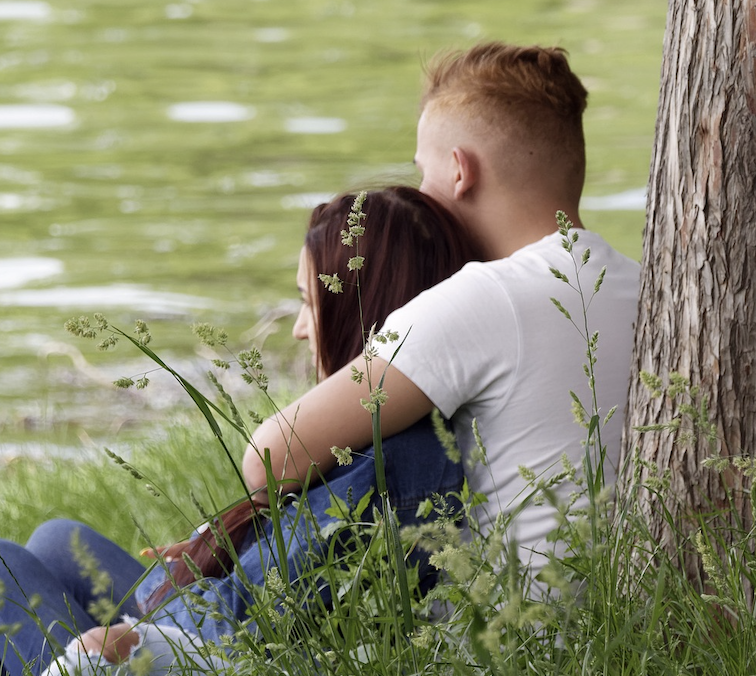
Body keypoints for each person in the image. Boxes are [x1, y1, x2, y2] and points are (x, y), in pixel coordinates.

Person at [0, 186, 482, 676]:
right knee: (57, 540)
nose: (299, 328)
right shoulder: (394, 433)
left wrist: (127, 638)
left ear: (359, 307)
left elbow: (235, 633)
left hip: (211, 651)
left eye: (309, 303)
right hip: (213, 630)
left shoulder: (386, 468)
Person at [242, 43, 640, 574]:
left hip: (507, 622)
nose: (420, 193)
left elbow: (269, 460)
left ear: (458, 171)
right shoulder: (644, 287)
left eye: (422, 172)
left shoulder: (483, 298)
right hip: (619, 607)